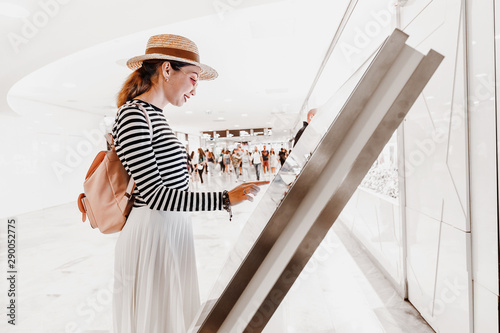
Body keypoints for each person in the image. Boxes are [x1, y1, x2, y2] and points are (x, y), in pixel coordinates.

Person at [111, 34, 267, 333]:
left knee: (172, 317)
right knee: (158, 320)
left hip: (169, 227)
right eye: (193, 78)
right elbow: (156, 195)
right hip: (152, 231)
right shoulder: (134, 115)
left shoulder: (155, 116)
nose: (195, 90)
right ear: (167, 70)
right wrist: (223, 198)